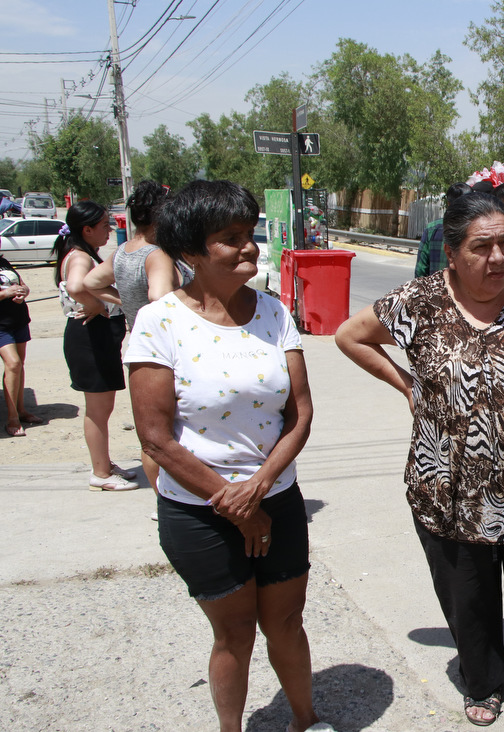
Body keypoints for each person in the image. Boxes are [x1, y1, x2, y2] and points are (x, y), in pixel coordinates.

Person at [335, 192, 504, 727]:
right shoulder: (419, 303)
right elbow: (349, 336)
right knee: (467, 595)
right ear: (451, 252)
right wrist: (406, 385)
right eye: (482, 247)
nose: (498, 257)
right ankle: (483, 680)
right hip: (447, 487)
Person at [124, 180, 329, 732]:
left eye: (249, 234)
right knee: (234, 633)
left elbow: (300, 413)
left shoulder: (274, 313)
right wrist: (232, 502)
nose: (248, 247)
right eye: (229, 238)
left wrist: (259, 489)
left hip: (276, 499)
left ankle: (305, 720)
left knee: (286, 621)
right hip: (199, 512)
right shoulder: (158, 323)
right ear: (190, 251)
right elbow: (156, 438)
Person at [85, 180, 191, 492]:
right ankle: (170, 499)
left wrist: (124, 303)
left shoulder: (122, 252)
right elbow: (159, 296)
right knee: (169, 433)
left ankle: (164, 500)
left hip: (139, 350)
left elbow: (91, 282)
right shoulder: (157, 254)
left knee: (151, 433)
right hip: (169, 353)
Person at [52, 201, 139, 491]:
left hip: (96, 338)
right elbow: (77, 287)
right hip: (90, 338)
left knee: (103, 407)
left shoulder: (82, 252)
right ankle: (100, 474)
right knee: (97, 410)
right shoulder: (79, 257)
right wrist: (96, 305)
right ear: (86, 229)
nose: (109, 230)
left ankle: (104, 462)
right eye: (104, 225)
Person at [0, 249, 42, 436]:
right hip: (1, 325)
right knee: (13, 363)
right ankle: (12, 418)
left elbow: (22, 284)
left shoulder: (4, 262)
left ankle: (21, 410)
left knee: (19, 366)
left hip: (18, 320)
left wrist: (23, 291)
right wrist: (5, 293)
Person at [415, 182, 472, 278]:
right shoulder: (475, 229)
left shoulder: (432, 229)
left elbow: (420, 271)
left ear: (448, 203)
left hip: (435, 291)